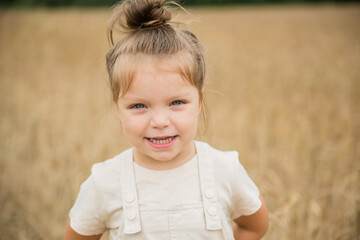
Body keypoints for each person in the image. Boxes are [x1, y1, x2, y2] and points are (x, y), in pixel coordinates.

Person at [63, 0, 269, 239]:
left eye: (176, 103)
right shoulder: (104, 184)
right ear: (118, 109)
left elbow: (254, 226)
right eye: (138, 105)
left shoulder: (225, 171)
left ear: (199, 102)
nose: (160, 121)